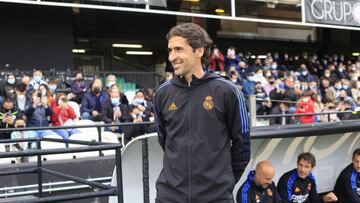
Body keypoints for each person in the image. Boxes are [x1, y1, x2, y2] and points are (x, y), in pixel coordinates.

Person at [154, 23, 250, 203]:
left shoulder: (227, 91)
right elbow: (164, 140)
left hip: (215, 197)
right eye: (170, 51)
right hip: (170, 196)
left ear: (199, 51)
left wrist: (222, 183)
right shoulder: (162, 93)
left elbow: (242, 146)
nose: (172, 57)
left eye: (179, 49)